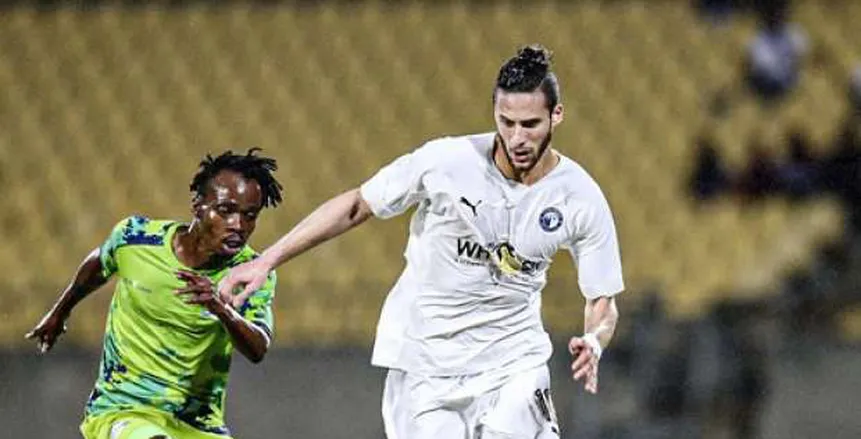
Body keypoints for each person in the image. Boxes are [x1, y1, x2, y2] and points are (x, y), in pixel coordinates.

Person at [220, 45, 624, 439]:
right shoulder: (445, 162)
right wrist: (267, 260)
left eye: (530, 125)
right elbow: (358, 205)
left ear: (556, 115)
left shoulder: (580, 198)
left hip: (513, 362)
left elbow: (601, 301)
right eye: (507, 122)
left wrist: (594, 339)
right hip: (425, 362)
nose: (517, 137)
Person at [26, 149, 282, 439]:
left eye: (250, 215)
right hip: (123, 411)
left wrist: (221, 309)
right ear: (198, 205)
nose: (238, 225)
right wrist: (60, 311)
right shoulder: (136, 239)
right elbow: (101, 260)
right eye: (225, 211)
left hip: (197, 424)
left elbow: (258, 348)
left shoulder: (250, 273)